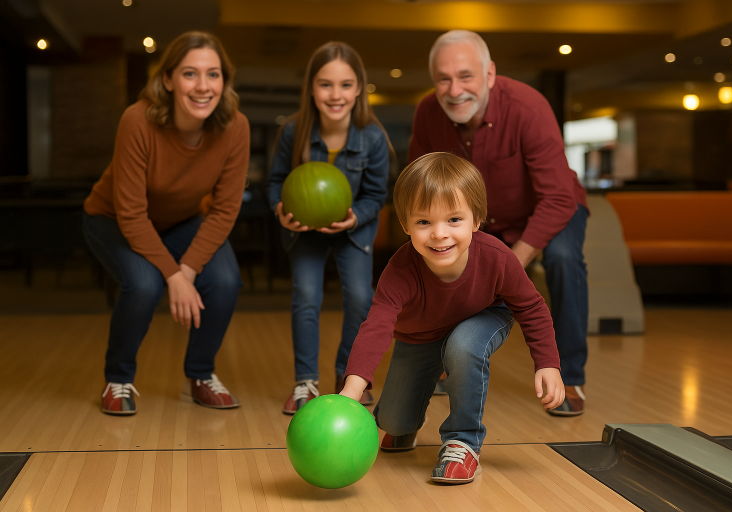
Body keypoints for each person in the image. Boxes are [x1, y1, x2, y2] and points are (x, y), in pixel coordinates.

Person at [339, 152, 564, 484]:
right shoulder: (400, 271)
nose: (439, 234)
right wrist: (350, 394)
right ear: (405, 225)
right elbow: (376, 327)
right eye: (424, 222)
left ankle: (463, 443)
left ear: (476, 219)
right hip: (421, 334)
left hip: (484, 316)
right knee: (394, 422)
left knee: (463, 346)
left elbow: (531, 307)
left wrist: (548, 363)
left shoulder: (498, 258)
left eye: (454, 220)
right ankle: (406, 423)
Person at [408, 30, 589, 416]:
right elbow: (419, 188)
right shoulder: (427, 112)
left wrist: (511, 260)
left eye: (466, 76)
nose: (454, 90)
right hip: (477, 219)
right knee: (445, 260)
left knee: (562, 259)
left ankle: (570, 375)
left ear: (489, 74)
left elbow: (557, 197)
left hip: (549, 208)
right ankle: (441, 359)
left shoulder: (528, 107)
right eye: (443, 79)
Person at [82, 31, 249, 415]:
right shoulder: (137, 120)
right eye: (190, 74)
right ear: (169, 79)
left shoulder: (235, 127)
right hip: (110, 218)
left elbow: (224, 210)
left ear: (225, 81)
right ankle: (118, 379)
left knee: (224, 281)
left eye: (214, 74)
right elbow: (131, 214)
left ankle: (201, 375)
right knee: (144, 283)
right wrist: (175, 277)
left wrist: (188, 270)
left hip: (180, 220)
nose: (203, 86)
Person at [267, 42, 393, 415]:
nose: (335, 95)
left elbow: (376, 194)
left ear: (358, 89)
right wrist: (280, 209)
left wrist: (356, 216)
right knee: (306, 294)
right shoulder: (294, 132)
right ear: (311, 88)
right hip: (304, 229)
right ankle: (305, 381)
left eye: (345, 85)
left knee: (359, 297)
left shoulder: (373, 137)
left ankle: (348, 378)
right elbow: (275, 182)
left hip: (353, 231)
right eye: (325, 84)